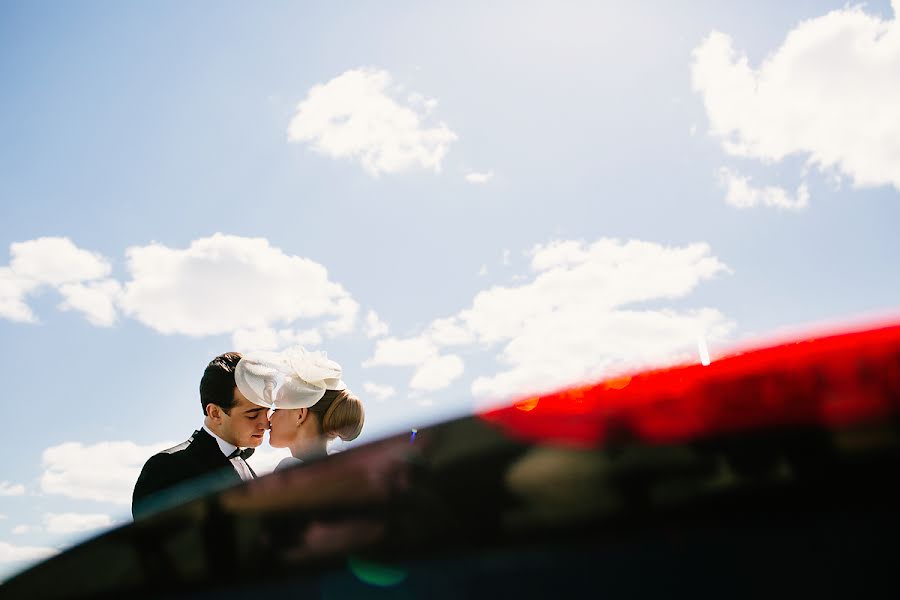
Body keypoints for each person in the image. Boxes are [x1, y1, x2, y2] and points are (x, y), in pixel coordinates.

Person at [132, 352, 269, 518]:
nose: (266, 424)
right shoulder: (166, 468)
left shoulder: (245, 465)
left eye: (267, 412)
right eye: (253, 414)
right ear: (215, 413)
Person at [268, 388, 365, 470]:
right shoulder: (342, 470)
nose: (270, 417)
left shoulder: (289, 470)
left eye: (276, 409)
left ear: (300, 414)